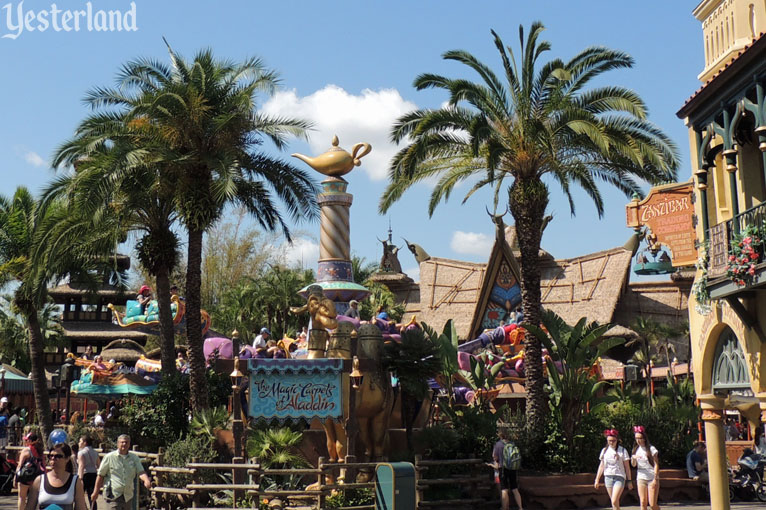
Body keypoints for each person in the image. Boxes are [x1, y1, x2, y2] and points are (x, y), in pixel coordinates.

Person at [91, 435, 151, 510]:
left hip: (127, 496)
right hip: (113, 495)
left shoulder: (134, 458)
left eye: (126, 442)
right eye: (122, 442)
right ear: (118, 443)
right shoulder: (109, 457)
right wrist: (95, 492)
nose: (124, 444)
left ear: (129, 444)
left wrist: (146, 480)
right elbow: (100, 475)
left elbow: (141, 472)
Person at [25, 442, 87, 510]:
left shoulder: (75, 482)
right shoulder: (39, 480)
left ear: (67, 458)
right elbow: (29, 507)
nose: (53, 459)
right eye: (51, 456)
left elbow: (81, 507)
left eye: (58, 456)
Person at [594, 429, 632, 510]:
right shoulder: (604, 451)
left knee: (614, 500)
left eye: (613, 441)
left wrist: (629, 481)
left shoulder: (622, 450)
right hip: (608, 476)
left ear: (617, 440)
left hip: (619, 476)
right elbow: (601, 465)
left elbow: (627, 467)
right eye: (609, 441)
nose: (611, 442)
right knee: (614, 502)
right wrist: (597, 479)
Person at [491, 428, 523, 510]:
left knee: (504, 489)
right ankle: (520, 508)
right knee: (514, 488)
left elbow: (495, 457)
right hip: (513, 468)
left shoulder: (498, 445)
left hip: (503, 469)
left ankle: (505, 508)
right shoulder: (512, 444)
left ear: (500, 434)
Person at [631, 425, 659, 510]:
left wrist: (655, 478)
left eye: (640, 438)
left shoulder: (651, 449)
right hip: (641, 477)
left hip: (651, 477)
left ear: (644, 438)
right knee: (643, 502)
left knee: (652, 504)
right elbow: (633, 465)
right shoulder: (635, 449)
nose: (638, 440)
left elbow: (656, 464)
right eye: (636, 438)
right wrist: (633, 458)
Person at [16, 432, 45, 510]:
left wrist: (16, 478)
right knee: (32, 499)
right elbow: (43, 465)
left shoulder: (26, 450)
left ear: (30, 441)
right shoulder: (40, 450)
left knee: (22, 498)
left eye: (26, 440)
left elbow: (20, 465)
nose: (25, 442)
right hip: (36, 478)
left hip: (25, 477)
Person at [77, 435, 100, 510]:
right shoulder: (95, 452)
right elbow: (98, 465)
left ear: (84, 442)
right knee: (92, 496)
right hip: (94, 475)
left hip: (85, 475)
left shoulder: (81, 453)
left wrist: (80, 479)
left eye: (80, 441)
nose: (79, 443)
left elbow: (81, 466)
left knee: (79, 496)